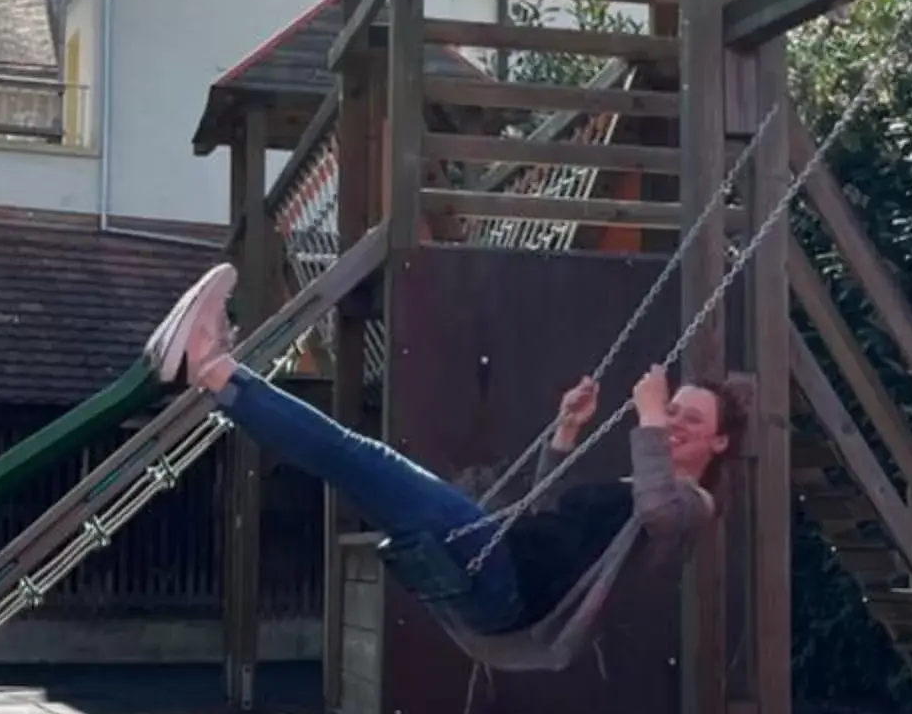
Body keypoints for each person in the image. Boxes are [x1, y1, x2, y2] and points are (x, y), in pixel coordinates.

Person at [145, 262, 730, 657]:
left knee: (358, 457)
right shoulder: (641, 484)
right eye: (674, 411)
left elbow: (659, 508)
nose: (674, 423)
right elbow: (542, 512)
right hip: (499, 566)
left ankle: (215, 366)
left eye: (691, 420)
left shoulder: (694, 506)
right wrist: (567, 433)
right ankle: (215, 371)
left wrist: (651, 414)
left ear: (719, 444)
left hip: (504, 586)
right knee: (351, 462)